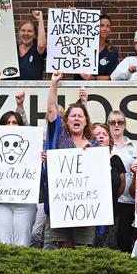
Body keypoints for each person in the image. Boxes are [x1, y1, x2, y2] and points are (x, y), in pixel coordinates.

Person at [45, 71, 100, 248]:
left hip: (86, 208)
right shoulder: (59, 139)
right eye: (73, 116)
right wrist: (54, 83)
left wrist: (93, 156)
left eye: (80, 116)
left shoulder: (95, 145)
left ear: (86, 121)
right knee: (64, 252)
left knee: (83, 252)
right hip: (62, 206)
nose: (76, 118)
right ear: (66, 121)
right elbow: (52, 110)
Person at [0, 111, 38, 247]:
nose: (11, 125)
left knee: (23, 242)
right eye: (7, 122)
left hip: (25, 201)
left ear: (21, 125)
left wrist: (40, 160)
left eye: (15, 122)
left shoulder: (33, 147)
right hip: (0, 201)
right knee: (4, 241)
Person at [107, 110, 137, 253]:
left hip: (129, 200)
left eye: (120, 122)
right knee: (107, 239)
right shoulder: (102, 145)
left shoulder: (135, 148)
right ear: (108, 125)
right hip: (108, 200)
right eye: (112, 122)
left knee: (125, 238)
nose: (116, 125)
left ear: (125, 125)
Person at [79, 14, 119, 81]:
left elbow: (111, 77)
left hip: (101, 89)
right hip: (79, 87)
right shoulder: (82, 46)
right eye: (101, 25)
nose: (105, 29)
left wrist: (93, 78)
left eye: (108, 26)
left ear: (110, 30)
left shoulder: (112, 51)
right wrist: (72, 14)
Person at [14, 10, 46, 80]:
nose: (26, 34)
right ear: (19, 33)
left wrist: (40, 20)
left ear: (35, 34)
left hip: (33, 90)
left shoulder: (37, 50)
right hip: (12, 89)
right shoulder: (13, 50)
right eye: (23, 30)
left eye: (29, 31)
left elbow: (41, 45)